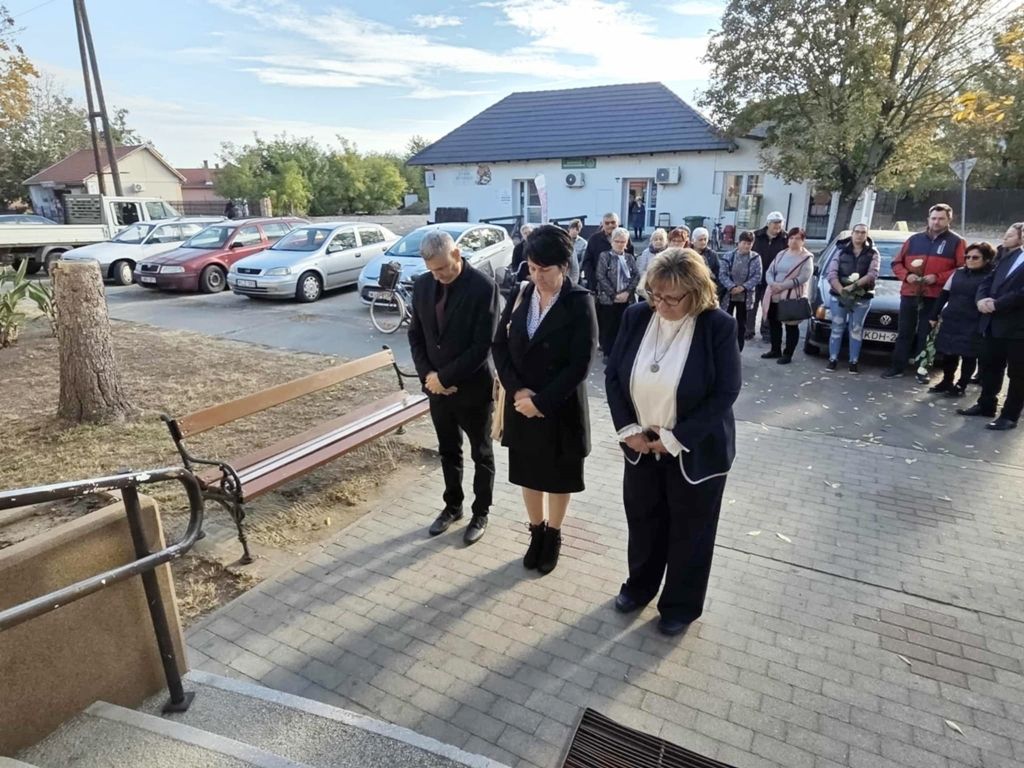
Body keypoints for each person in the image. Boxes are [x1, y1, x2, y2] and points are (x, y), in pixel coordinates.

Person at [605, 248, 741, 636]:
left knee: (691, 531)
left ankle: (680, 605)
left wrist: (677, 438)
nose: (660, 305)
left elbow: (726, 391)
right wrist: (627, 429)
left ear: (696, 293)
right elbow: (613, 375)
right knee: (643, 522)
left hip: (695, 452)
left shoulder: (717, 326)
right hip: (641, 447)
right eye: (655, 295)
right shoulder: (636, 316)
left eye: (671, 298)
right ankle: (639, 587)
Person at [492, 225, 598, 573]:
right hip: (521, 404)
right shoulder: (522, 293)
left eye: (545, 269)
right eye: (533, 268)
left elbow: (581, 364)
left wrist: (541, 402)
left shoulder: (579, 301)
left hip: (559, 407)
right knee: (529, 473)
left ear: (564, 266)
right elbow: (499, 345)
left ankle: (553, 534)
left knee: (558, 477)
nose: (537, 276)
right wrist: (518, 390)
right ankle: (535, 531)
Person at [408, 231, 501, 543]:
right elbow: (416, 335)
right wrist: (429, 377)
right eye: (433, 270)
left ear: (457, 254)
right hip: (437, 391)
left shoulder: (483, 287)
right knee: (448, 450)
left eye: (443, 268)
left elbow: (482, 345)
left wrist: (445, 378)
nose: (439, 275)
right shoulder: (423, 285)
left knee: (481, 453)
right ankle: (453, 506)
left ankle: (481, 511)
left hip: (473, 389)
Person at [883, 204, 966, 381]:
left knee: (926, 334)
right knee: (904, 332)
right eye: (933, 218)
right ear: (928, 219)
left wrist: (937, 277)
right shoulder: (914, 240)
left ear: (949, 220)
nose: (936, 222)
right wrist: (907, 276)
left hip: (934, 295)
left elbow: (961, 269)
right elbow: (896, 263)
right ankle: (897, 367)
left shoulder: (957, 242)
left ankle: (922, 370)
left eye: (941, 219)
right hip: (910, 293)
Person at [958, 225, 1024, 430]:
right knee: (990, 366)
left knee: (1018, 375)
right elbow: (988, 280)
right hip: (993, 324)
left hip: (1018, 328)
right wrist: (981, 300)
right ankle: (986, 405)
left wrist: (997, 304)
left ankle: (1009, 416)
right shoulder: (1009, 256)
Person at [928, 242, 995, 397]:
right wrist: (934, 315)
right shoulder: (957, 273)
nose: (970, 260)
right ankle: (947, 381)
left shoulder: (991, 276)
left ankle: (961, 385)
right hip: (952, 318)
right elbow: (944, 294)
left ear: (986, 259)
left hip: (974, 321)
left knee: (968, 354)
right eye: (967, 257)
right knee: (948, 352)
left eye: (975, 257)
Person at [825, 224, 880, 374]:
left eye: (863, 232)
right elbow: (831, 273)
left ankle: (853, 361)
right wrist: (841, 289)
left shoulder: (873, 253)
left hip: (862, 297)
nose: (859, 235)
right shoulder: (841, 250)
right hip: (839, 296)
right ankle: (833, 359)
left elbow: (872, 274)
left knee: (856, 329)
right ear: (852, 233)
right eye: (857, 232)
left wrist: (853, 287)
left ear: (867, 235)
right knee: (837, 327)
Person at [760, 227, 814, 365]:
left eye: (797, 238)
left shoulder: (806, 258)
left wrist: (782, 286)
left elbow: (803, 277)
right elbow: (770, 271)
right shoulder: (781, 254)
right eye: (791, 238)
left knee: (791, 326)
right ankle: (775, 350)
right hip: (774, 294)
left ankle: (788, 354)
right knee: (774, 323)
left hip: (791, 296)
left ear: (803, 241)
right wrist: (772, 283)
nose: (794, 241)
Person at [596, 227, 640, 359]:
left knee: (624, 327)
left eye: (623, 242)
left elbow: (636, 276)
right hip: (609, 299)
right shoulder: (605, 256)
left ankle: (621, 353)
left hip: (626, 298)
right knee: (609, 327)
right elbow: (600, 276)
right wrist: (613, 295)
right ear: (612, 241)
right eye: (617, 241)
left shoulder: (629, 258)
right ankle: (608, 353)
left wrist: (627, 292)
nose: (620, 244)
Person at [748, 212, 789, 342]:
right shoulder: (756, 236)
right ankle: (748, 330)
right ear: (768, 223)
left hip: (774, 279)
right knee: (751, 305)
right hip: (755, 276)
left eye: (780, 223)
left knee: (769, 307)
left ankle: (766, 332)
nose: (778, 225)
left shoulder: (786, 238)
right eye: (775, 223)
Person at [718, 230, 762, 351]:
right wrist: (731, 287)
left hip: (745, 296)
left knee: (741, 324)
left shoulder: (756, 258)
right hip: (729, 294)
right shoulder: (728, 256)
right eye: (744, 243)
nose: (746, 246)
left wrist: (743, 287)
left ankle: (738, 349)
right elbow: (722, 274)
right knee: (726, 321)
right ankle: (724, 347)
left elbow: (757, 276)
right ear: (739, 243)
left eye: (749, 244)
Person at [583, 213, 634, 290]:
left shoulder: (626, 239)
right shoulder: (594, 239)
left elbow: (631, 261)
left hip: (621, 286)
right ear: (602, 224)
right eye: (607, 223)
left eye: (613, 222)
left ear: (618, 223)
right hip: (599, 287)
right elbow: (587, 262)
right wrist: (593, 281)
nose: (610, 225)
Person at [691, 227, 723, 301]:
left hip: (707, 292)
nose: (703, 242)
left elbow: (719, 274)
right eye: (700, 240)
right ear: (693, 240)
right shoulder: (687, 253)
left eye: (705, 239)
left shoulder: (712, 255)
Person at [637, 228, 669, 296]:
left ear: (666, 241)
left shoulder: (669, 252)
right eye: (655, 239)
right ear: (651, 241)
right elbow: (642, 269)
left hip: (665, 285)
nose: (658, 241)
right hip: (648, 284)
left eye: (661, 239)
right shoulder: (646, 252)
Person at [567, 219, 587, 284]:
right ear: (569, 228)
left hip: (577, 274)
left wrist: (576, 270)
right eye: (573, 228)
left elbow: (583, 260)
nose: (574, 231)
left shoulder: (583, 243)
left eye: (577, 229)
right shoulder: (563, 241)